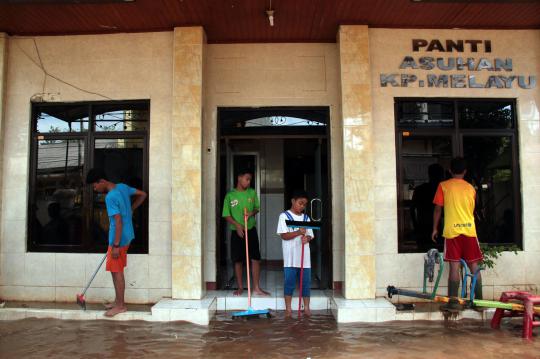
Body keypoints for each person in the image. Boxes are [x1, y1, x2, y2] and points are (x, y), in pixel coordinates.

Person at [86, 168, 147, 317]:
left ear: (102, 181)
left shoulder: (110, 197)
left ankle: (120, 306)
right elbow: (142, 194)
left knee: (117, 271)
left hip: (119, 239)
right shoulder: (122, 187)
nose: (94, 189)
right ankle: (117, 301)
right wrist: (131, 208)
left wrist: (116, 245)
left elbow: (118, 221)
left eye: (94, 186)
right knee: (115, 270)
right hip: (126, 235)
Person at [431, 157, 483, 311]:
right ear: (465, 172)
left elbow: (438, 209)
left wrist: (435, 228)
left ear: (450, 170)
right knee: (474, 266)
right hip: (469, 231)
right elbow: (472, 210)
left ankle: (453, 303)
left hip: (452, 232)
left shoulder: (443, 186)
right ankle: (478, 302)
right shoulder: (471, 189)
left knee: (454, 266)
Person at [222, 169, 269, 297]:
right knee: (238, 260)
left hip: (251, 229)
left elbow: (256, 208)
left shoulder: (252, 193)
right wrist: (237, 225)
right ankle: (240, 288)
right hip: (237, 232)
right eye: (247, 179)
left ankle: (257, 288)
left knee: (255, 258)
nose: (248, 182)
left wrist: (250, 214)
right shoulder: (230, 195)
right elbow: (226, 214)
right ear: (239, 177)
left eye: (250, 180)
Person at [276, 190, 314, 317]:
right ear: (293, 201)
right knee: (289, 283)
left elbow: (310, 235)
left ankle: (307, 308)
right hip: (290, 258)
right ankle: (288, 309)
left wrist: (306, 238)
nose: (302, 206)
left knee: (305, 283)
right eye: (300, 203)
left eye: (304, 204)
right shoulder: (284, 216)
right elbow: (284, 236)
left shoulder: (306, 218)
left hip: (305, 259)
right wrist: (298, 232)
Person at [411, 163, 445, 252]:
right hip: (437, 227)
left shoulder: (419, 189)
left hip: (422, 226)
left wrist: (415, 226)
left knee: (423, 255)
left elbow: (412, 209)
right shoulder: (443, 190)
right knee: (439, 255)